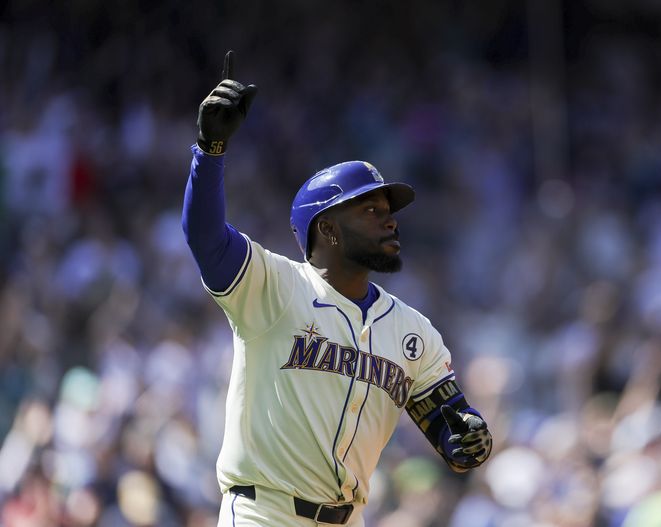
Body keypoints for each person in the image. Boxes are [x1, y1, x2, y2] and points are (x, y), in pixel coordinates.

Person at [182, 51, 493, 527]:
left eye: (389, 207)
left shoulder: (415, 333)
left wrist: (469, 440)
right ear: (326, 230)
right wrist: (210, 151)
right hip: (264, 513)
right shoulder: (275, 286)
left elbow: (452, 434)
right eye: (370, 210)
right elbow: (206, 238)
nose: (390, 217)